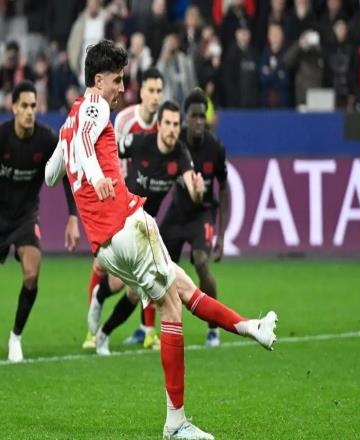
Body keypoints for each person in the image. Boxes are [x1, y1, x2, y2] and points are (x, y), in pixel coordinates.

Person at [45, 39, 277, 440]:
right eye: (117, 80)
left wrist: (74, 159)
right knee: (172, 309)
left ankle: (250, 327)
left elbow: (51, 175)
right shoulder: (96, 106)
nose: (122, 88)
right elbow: (84, 142)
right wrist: (96, 176)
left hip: (105, 246)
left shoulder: (70, 119)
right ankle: (176, 422)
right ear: (97, 80)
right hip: (126, 223)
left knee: (182, 287)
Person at [89, 100, 205, 355]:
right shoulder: (140, 142)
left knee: (135, 293)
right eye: (168, 123)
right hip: (122, 219)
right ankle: (98, 296)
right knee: (118, 284)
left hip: (144, 226)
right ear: (159, 125)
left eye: (176, 124)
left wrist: (197, 190)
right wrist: (100, 179)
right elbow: (107, 151)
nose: (172, 129)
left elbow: (192, 188)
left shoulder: (180, 153)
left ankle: (104, 334)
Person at [83, 66, 164, 351]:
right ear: (141, 92)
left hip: (146, 206)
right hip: (119, 202)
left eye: (159, 91)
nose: (155, 96)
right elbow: (111, 159)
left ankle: (148, 331)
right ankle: (92, 330)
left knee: (148, 270)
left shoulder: (164, 124)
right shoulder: (125, 120)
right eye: (151, 90)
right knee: (106, 270)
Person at [1, 80, 80, 362]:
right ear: (13, 107)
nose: (29, 111)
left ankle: (16, 337)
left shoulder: (47, 140)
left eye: (33, 106)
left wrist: (73, 217)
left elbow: (68, 175)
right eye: (24, 106)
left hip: (25, 217)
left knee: (32, 274)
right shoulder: (2, 137)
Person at [160, 89, 228, 348]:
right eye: (194, 116)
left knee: (201, 262)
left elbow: (223, 188)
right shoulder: (176, 143)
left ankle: (213, 328)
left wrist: (222, 236)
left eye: (203, 116)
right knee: (157, 267)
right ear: (185, 118)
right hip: (177, 213)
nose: (199, 121)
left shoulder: (215, 147)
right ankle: (148, 330)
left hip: (203, 214)